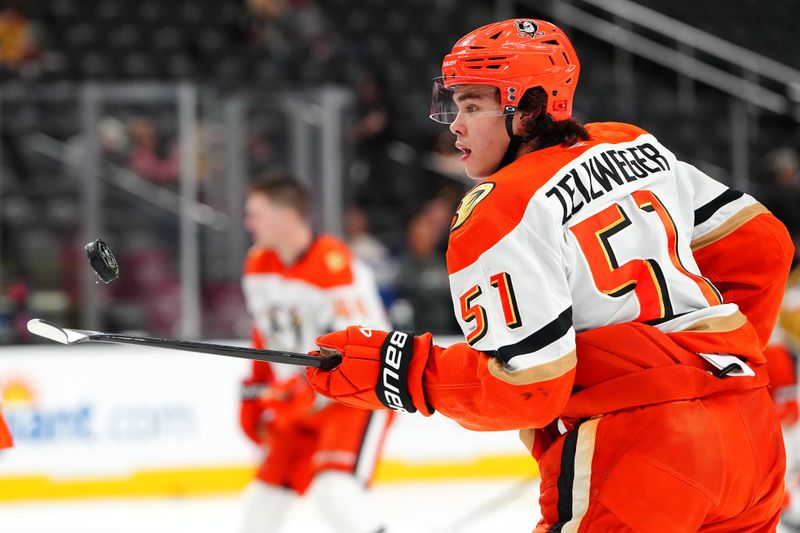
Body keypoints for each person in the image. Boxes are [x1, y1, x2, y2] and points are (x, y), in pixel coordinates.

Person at [305, 19, 795, 531]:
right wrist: (714, 359)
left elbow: (530, 386)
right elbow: (763, 248)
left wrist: (398, 370)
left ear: (532, 109)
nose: (454, 124)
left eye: (473, 105)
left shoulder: (500, 208)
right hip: (749, 433)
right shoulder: (632, 145)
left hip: (640, 451)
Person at [238, 175, 393, 533]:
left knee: (336, 494)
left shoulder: (336, 267)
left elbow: (362, 356)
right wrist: (254, 390)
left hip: (351, 400)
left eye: (256, 214)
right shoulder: (258, 264)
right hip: (299, 400)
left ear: (287, 216)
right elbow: (265, 334)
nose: (249, 223)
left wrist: (304, 389)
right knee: (261, 503)